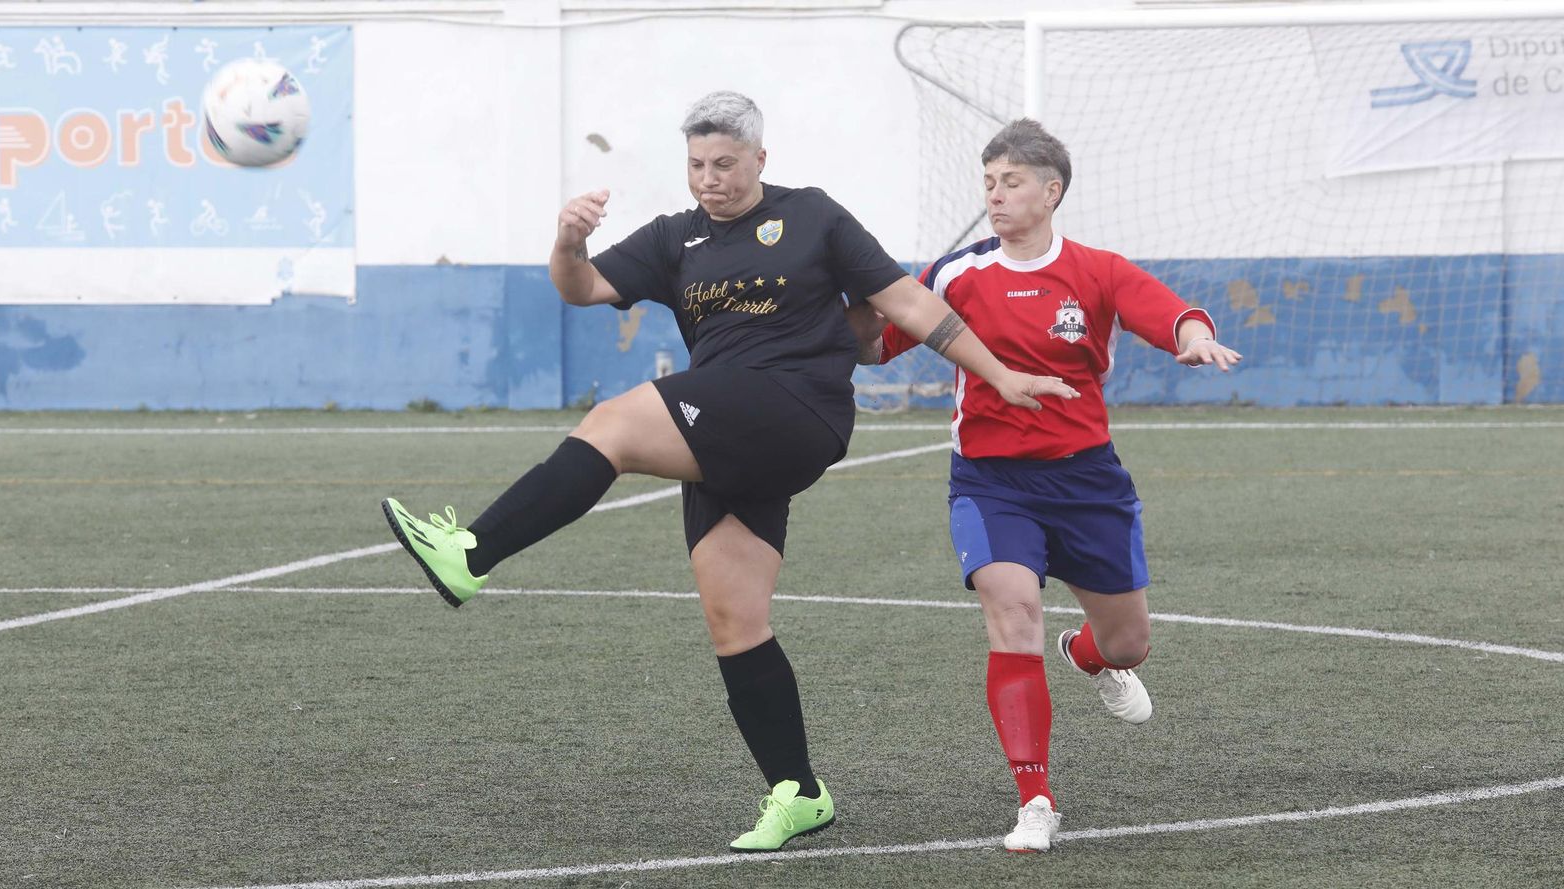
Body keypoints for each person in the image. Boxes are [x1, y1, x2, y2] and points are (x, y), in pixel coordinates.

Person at [381, 92, 1076, 853]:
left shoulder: (812, 215)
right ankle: (799, 790)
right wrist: (568, 241)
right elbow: (578, 288)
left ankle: (472, 554)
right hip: (728, 423)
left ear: (759, 161)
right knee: (734, 620)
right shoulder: (674, 239)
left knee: (611, 424)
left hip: (796, 405)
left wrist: (999, 373)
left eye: (724, 164)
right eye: (696, 165)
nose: (709, 179)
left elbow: (905, 300)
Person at [859, 118, 1242, 853]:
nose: (996, 196)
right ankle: (1035, 796)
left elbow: (1170, 313)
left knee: (1129, 643)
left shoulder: (1096, 269)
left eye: (1011, 181)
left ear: (1051, 190)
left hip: (1088, 481)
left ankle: (1090, 656)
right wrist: (833, 307)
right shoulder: (956, 273)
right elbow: (878, 343)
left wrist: (1193, 338)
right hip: (991, 481)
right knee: (1013, 611)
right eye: (990, 182)